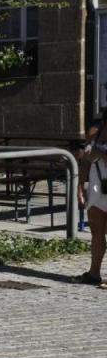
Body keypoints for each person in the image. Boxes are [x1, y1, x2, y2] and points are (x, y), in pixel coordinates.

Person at [76, 118, 107, 285]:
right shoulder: (96, 130)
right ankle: (94, 273)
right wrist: (80, 185)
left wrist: (100, 154)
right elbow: (85, 162)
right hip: (97, 189)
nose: (89, 137)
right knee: (97, 232)